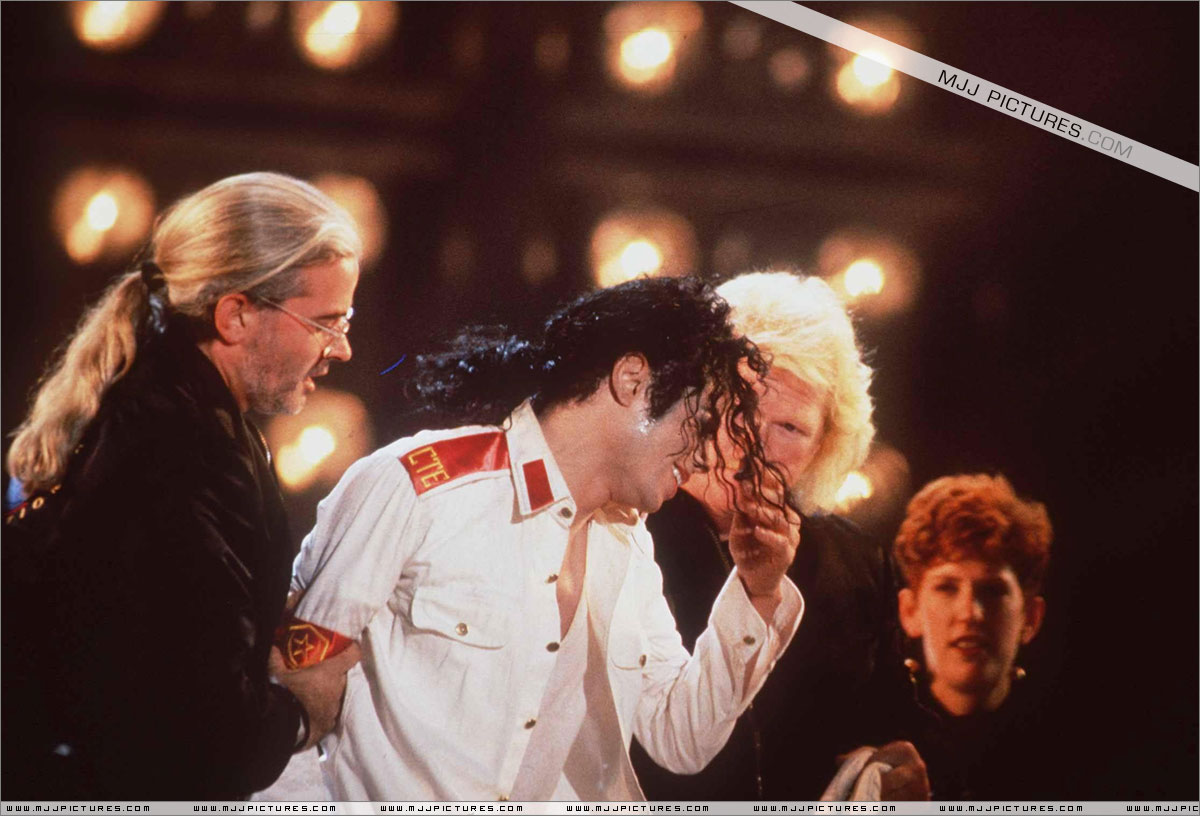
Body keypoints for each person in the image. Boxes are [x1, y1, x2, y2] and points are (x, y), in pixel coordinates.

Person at [282, 276, 805, 801]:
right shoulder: (416, 487)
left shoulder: (626, 540)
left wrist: (757, 591)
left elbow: (681, 737)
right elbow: (292, 697)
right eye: (702, 422)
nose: (707, 457)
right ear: (631, 380)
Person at [3, 172, 364, 799]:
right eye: (326, 323)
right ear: (236, 315)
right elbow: (198, 741)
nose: (343, 349)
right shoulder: (177, 454)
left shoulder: (173, 413)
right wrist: (303, 712)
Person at [633, 271, 927, 800]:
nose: (752, 443)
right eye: (740, 405)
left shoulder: (857, 563)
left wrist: (905, 766)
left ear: (825, 445)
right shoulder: (625, 528)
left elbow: (893, 729)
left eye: (790, 427)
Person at [887, 473, 1054, 800]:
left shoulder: (1074, 749)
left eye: (992, 591)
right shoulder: (870, 740)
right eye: (947, 588)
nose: (970, 613)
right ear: (910, 611)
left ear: (1030, 618)